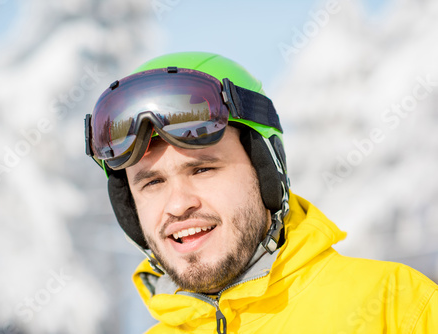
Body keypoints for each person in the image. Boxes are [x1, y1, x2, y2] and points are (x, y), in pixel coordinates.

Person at [84, 52, 438, 333]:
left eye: (203, 169)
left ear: (266, 173)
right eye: (152, 183)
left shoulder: (397, 308)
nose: (177, 205)